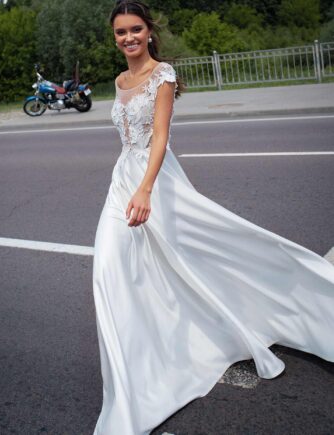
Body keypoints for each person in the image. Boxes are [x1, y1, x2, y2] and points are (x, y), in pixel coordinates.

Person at [92, 1, 334, 434]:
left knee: (204, 250)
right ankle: (132, 376)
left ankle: (296, 298)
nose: (127, 38)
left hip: (155, 181)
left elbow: (161, 136)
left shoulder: (161, 76)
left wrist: (146, 189)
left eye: (135, 29)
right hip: (120, 181)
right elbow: (127, 137)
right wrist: (130, 184)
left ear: (149, 32)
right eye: (120, 32)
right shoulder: (120, 80)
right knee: (109, 268)